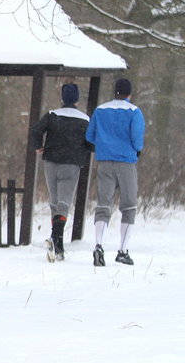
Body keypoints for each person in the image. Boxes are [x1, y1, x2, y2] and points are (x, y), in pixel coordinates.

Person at [29, 83, 91, 261]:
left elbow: (35, 131)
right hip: (71, 163)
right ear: (77, 99)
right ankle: (55, 238)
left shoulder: (52, 115)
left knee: (54, 203)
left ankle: (59, 246)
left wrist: (39, 146)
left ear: (63, 98)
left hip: (51, 162)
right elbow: (91, 142)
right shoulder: (84, 119)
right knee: (64, 203)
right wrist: (84, 150)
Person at [86, 78, 145, 266]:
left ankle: (98, 245)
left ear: (115, 91)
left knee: (103, 204)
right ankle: (122, 250)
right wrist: (137, 149)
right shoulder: (135, 112)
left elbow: (90, 135)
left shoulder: (100, 110)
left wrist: (104, 146)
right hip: (126, 161)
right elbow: (137, 138)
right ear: (130, 93)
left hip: (104, 161)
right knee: (128, 206)